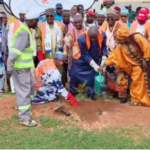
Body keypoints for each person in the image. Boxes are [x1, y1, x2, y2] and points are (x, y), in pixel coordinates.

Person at [100, 27, 150, 107]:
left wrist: (145, 59)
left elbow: (147, 47)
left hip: (147, 62)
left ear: (126, 37)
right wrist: (103, 65)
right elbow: (113, 56)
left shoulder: (136, 37)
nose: (119, 42)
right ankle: (137, 100)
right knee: (136, 82)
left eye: (120, 40)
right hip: (135, 66)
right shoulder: (121, 46)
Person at [7, 11, 39, 126]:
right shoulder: (24, 33)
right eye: (36, 20)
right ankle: (24, 118)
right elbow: (14, 51)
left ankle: (25, 108)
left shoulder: (27, 31)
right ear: (30, 21)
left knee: (30, 87)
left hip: (25, 68)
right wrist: (9, 67)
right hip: (20, 68)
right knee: (24, 92)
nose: (38, 22)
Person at [70, 26, 107, 100]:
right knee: (74, 73)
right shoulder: (81, 39)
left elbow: (104, 48)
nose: (93, 40)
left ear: (98, 35)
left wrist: (103, 60)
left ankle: (91, 92)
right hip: (80, 59)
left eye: (95, 38)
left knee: (92, 76)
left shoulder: (102, 35)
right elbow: (85, 55)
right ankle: (73, 91)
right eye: (91, 39)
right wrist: (95, 66)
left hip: (94, 57)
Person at [105, 9, 128, 103]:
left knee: (120, 74)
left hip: (119, 55)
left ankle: (122, 94)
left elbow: (124, 41)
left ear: (115, 17)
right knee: (109, 74)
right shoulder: (104, 26)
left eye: (112, 17)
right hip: (108, 54)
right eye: (108, 17)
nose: (110, 18)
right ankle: (112, 92)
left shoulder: (120, 27)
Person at [8, 9, 28, 93]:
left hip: (24, 53)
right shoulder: (13, 25)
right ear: (19, 15)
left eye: (25, 14)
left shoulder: (27, 25)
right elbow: (10, 39)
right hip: (15, 51)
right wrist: (11, 52)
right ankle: (14, 89)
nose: (23, 16)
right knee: (14, 70)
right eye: (22, 15)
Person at [0, 13, 8, 93]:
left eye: (1, 18)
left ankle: (1, 89)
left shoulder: (4, 29)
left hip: (2, 53)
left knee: (2, 72)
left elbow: (7, 42)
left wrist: (6, 55)